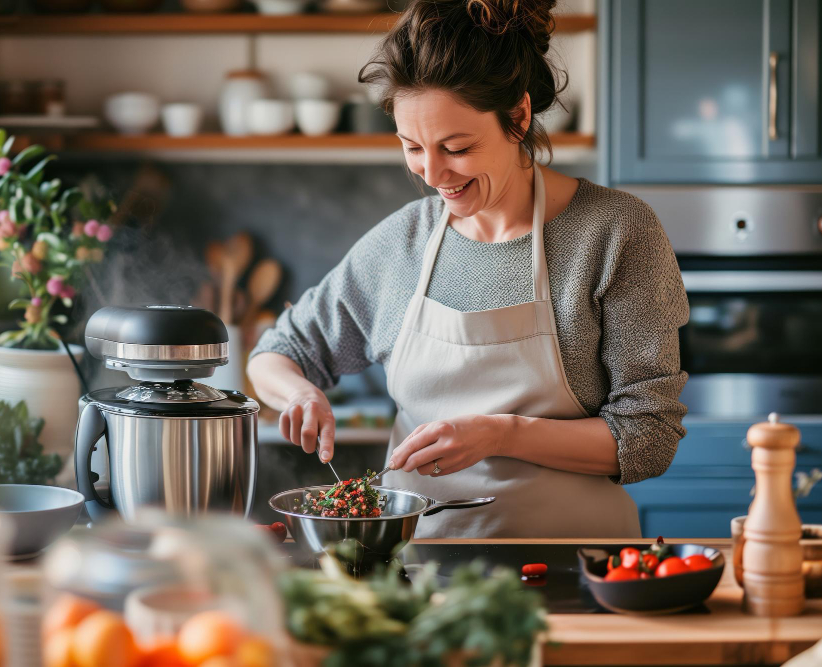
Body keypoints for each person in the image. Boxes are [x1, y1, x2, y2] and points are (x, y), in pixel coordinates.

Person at [247, 0, 689, 538]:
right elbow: (277, 353)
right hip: (419, 573)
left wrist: (503, 435)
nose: (433, 174)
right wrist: (299, 393)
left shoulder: (616, 232)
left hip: (579, 567)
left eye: (456, 147)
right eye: (412, 147)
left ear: (519, 117)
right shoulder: (402, 244)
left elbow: (649, 438)